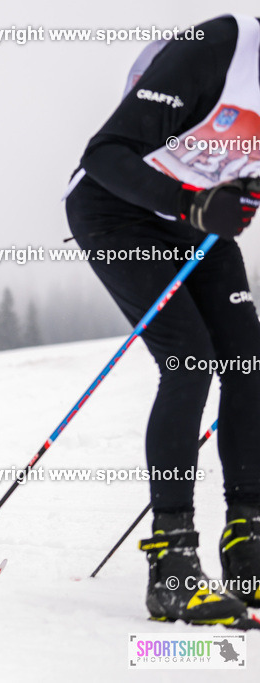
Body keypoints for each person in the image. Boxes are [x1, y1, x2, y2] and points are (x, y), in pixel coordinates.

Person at [65, 13, 260, 627]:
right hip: (117, 212)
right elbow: (105, 154)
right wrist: (195, 204)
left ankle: (247, 547)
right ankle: (171, 565)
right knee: (191, 360)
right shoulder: (219, 47)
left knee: (247, 363)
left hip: (197, 221)